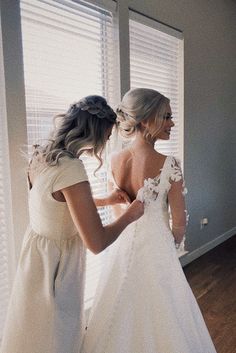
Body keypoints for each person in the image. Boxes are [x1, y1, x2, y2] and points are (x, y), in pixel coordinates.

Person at [0, 95, 144, 353]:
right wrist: (130, 215)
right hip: (57, 267)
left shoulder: (41, 156)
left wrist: (104, 200)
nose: (107, 142)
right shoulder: (71, 168)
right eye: (107, 136)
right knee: (57, 338)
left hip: (36, 258)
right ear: (95, 133)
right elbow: (97, 242)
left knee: (33, 334)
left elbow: (56, 205)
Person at [81, 88, 217, 353]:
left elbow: (121, 213)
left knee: (119, 308)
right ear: (144, 120)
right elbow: (179, 220)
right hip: (157, 247)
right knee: (165, 311)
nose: (172, 123)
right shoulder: (169, 164)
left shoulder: (114, 159)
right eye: (165, 117)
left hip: (122, 246)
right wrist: (173, 242)